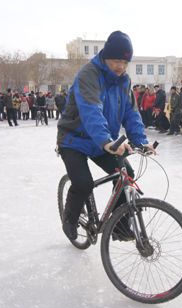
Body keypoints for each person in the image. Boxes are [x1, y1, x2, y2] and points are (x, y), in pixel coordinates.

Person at [56, 31, 154, 241]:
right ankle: (69, 219)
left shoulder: (124, 81)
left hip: (102, 141)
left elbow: (131, 113)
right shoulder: (88, 75)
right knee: (83, 184)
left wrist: (141, 140)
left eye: (126, 62)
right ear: (105, 56)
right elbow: (91, 110)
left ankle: (118, 226)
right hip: (74, 139)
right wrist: (107, 141)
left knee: (125, 173)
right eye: (117, 60)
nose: (121, 67)